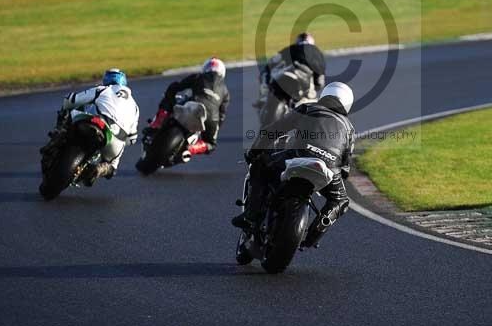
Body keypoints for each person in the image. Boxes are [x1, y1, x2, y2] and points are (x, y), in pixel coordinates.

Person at [233, 82, 355, 248]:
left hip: (298, 155)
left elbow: (273, 130)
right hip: (329, 168)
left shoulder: (308, 109)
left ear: (325, 95)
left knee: (260, 164)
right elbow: (345, 168)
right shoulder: (349, 129)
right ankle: (313, 236)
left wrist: (254, 152)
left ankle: (250, 216)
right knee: (340, 201)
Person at [57, 68, 139, 185]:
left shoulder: (103, 89)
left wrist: (64, 110)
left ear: (106, 79)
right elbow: (132, 139)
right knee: (113, 167)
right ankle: (102, 168)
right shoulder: (135, 106)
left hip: (98, 122)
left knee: (70, 114)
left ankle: (58, 133)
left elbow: (71, 100)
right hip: (117, 142)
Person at [147, 57, 230, 154]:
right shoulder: (226, 92)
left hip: (193, 106)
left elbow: (177, 86)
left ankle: (159, 120)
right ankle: (192, 148)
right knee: (211, 144)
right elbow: (222, 116)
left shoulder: (198, 77)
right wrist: (214, 127)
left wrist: (170, 96)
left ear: (205, 68)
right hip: (211, 119)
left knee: (169, 97)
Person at [255, 32, 325, 109]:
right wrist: (317, 85)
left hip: (288, 71)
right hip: (302, 76)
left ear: (298, 41)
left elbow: (272, 61)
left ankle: (264, 97)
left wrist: (267, 71)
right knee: (312, 99)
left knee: (266, 75)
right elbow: (320, 77)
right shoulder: (317, 52)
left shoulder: (290, 48)